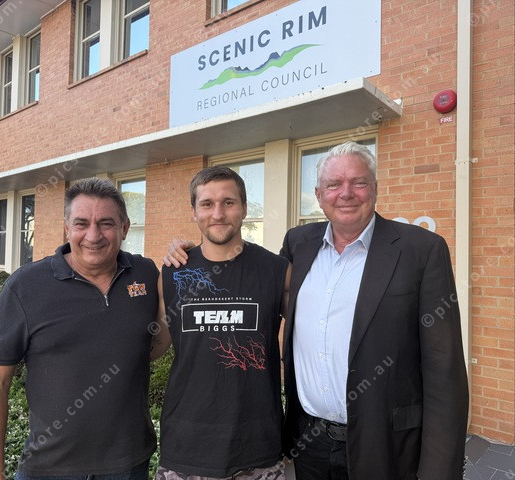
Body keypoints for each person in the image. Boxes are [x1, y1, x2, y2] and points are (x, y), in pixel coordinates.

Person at [164, 142, 469, 480]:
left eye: (358, 182)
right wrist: (187, 252)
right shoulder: (299, 244)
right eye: (334, 184)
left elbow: (444, 370)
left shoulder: (421, 250)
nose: (346, 193)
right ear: (319, 195)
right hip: (309, 443)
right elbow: (243, 277)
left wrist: (440, 471)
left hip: (383, 444)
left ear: (375, 188)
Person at [0, 177, 170, 480]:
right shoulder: (26, 286)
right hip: (49, 468)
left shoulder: (144, 274)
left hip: (128, 466)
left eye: (106, 223)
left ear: (125, 228)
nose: (93, 235)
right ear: (67, 228)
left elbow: (150, 348)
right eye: (81, 223)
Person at [155, 166, 291, 480]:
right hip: (185, 450)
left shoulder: (277, 270)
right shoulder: (173, 274)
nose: (218, 214)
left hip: (258, 449)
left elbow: (313, 334)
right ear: (194, 212)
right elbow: (153, 347)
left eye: (228, 202)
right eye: (207, 204)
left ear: (244, 208)